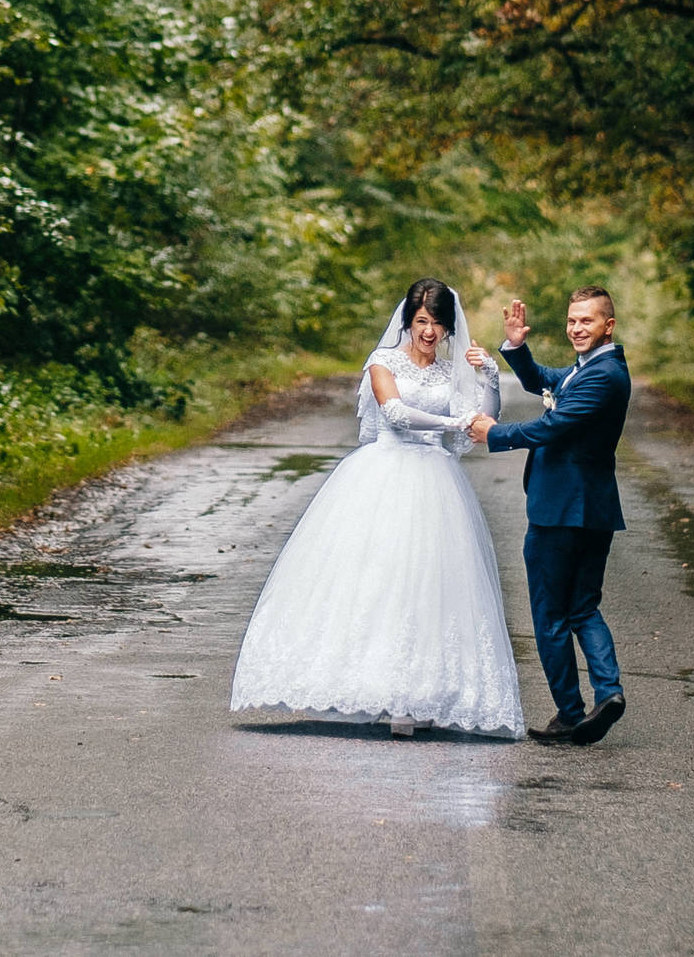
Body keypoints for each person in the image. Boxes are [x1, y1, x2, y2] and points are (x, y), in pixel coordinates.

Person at [228, 278, 524, 739]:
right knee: (377, 576)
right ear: (408, 322)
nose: (429, 332)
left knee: (429, 584)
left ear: (449, 328)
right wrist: (453, 420)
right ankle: (372, 686)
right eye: (421, 321)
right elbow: (395, 413)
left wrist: (488, 377)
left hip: (437, 482)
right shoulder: (382, 362)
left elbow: (481, 425)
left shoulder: (452, 373)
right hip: (384, 473)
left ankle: (421, 694)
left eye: (438, 323)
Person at [466, 286, 631, 746]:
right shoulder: (590, 367)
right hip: (593, 510)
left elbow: (553, 426)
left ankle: (570, 713)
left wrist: (495, 433)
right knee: (583, 606)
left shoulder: (603, 376)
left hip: (561, 510)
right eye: (572, 320)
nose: (577, 328)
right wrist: (516, 346)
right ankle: (609, 693)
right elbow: (541, 380)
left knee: (550, 614)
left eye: (587, 321)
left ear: (608, 326)